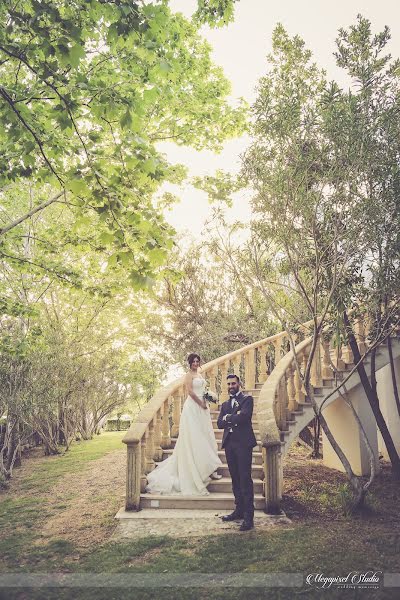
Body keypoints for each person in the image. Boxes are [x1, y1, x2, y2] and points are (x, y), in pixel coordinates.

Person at [145, 353, 223, 496]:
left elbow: (203, 391)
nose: (195, 363)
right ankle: (196, 472)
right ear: (189, 363)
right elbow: (190, 392)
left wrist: (207, 398)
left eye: (197, 361)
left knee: (206, 437)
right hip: (193, 407)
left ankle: (207, 469)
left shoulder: (199, 374)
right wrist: (201, 403)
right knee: (195, 438)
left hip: (202, 408)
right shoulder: (188, 376)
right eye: (193, 361)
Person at [217, 374, 257, 531]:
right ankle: (239, 510)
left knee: (245, 479)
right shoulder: (225, 404)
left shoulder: (247, 400)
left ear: (239, 384)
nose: (231, 386)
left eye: (233, 383)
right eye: (228, 384)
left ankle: (249, 518)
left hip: (243, 445)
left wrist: (229, 417)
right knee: (235, 479)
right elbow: (220, 423)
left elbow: (244, 417)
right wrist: (233, 416)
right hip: (229, 445)